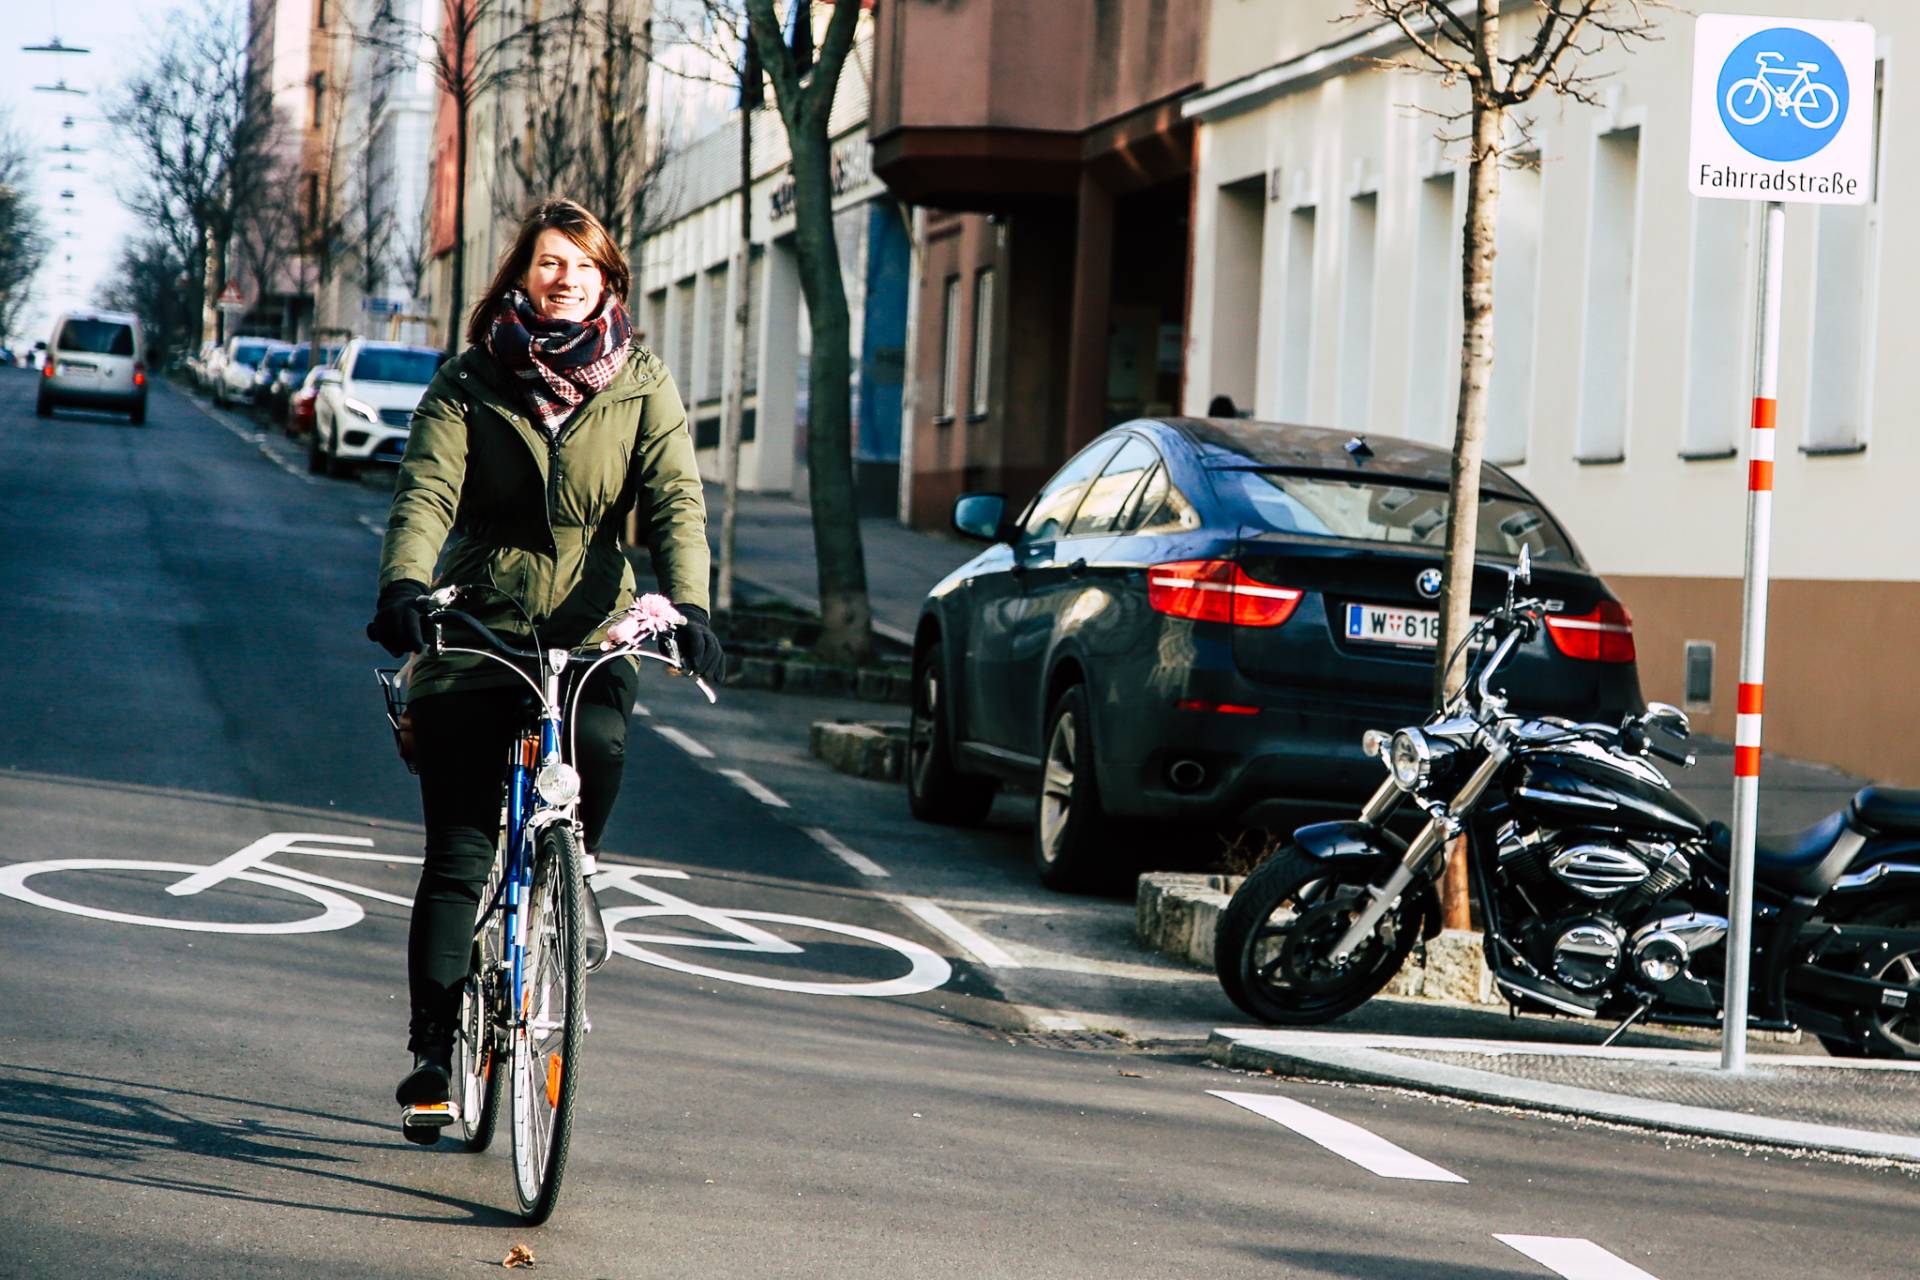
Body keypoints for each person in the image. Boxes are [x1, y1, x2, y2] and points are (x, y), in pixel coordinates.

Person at [366, 198, 722, 1136]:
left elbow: (676, 497)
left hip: (594, 628)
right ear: (520, 274)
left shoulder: (642, 382)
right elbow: (428, 490)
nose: (562, 277)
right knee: (459, 852)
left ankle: (573, 867)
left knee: (599, 744)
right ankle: (432, 1058)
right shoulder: (469, 380)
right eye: (546, 262)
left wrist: (688, 607)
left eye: (580, 263)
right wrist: (406, 584)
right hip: (480, 625)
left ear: (608, 279)